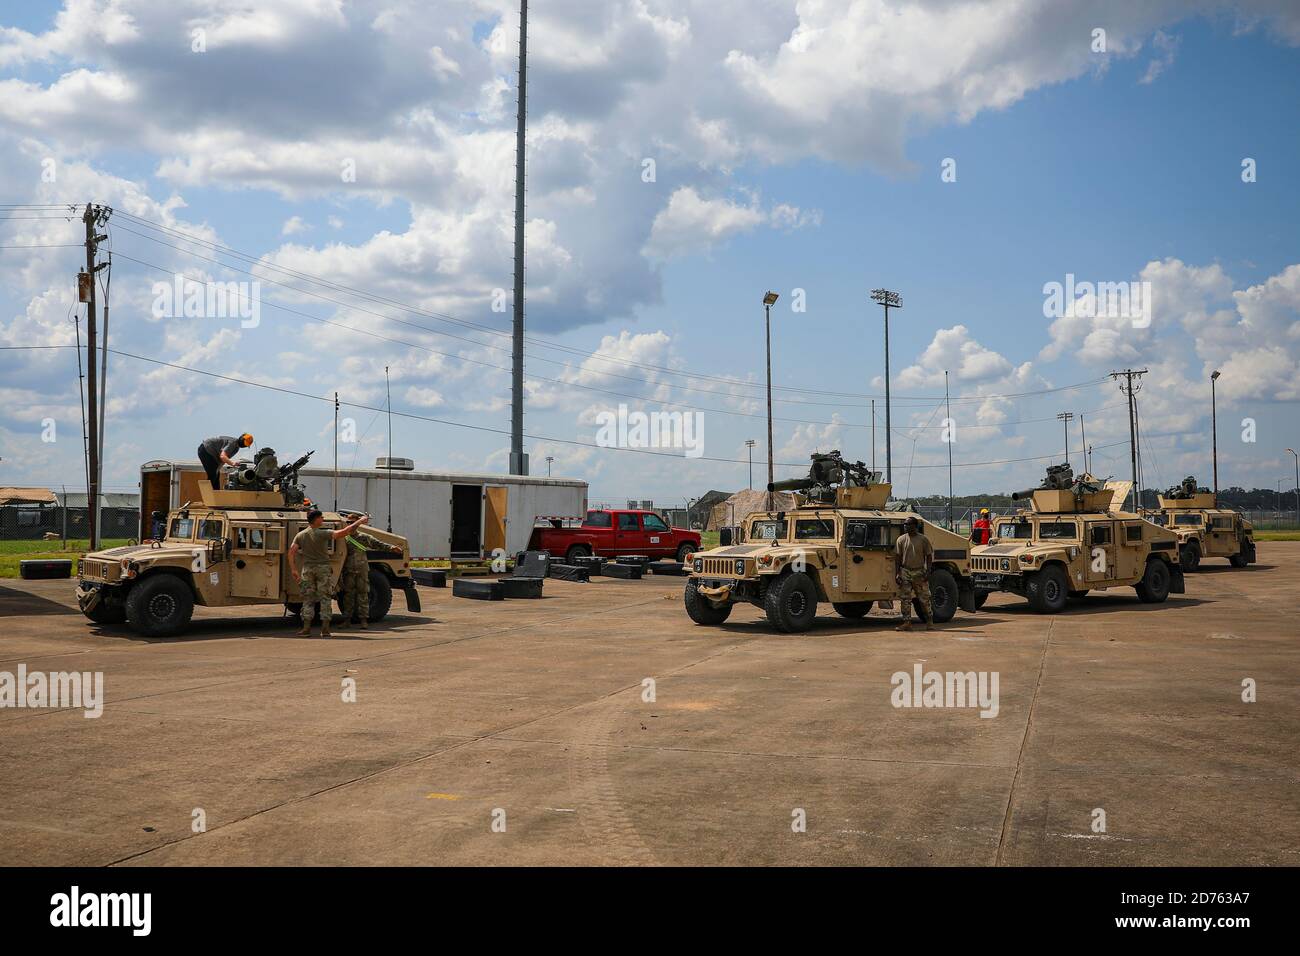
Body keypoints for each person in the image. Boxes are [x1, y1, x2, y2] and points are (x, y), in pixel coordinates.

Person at [288, 509, 367, 638]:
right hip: (322, 569)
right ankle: (325, 629)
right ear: (316, 519)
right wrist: (360, 521)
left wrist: (293, 569)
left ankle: (306, 628)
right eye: (321, 518)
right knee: (325, 598)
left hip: (307, 569)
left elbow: (291, 552)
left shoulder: (301, 535)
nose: (323, 519)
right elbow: (344, 532)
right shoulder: (322, 533)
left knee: (308, 599)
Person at [337, 513, 400, 629]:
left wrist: (391, 548)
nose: (350, 524)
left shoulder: (363, 537)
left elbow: (378, 544)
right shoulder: (343, 538)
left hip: (362, 569)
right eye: (348, 522)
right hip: (348, 570)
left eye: (352, 522)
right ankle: (347, 620)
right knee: (348, 596)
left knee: (363, 594)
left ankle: (364, 620)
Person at [894, 515, 935, 632]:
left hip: (919, 572)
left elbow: (929, 556)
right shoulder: (901, 540)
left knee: (924, 599)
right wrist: (897, 573)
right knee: (905, 599)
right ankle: (907, 622)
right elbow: (897, 557)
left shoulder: (923, 539)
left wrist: (928, 571)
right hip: (905, 571)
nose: (906, 526)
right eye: (905, 524)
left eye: (908, 524)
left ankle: (929, 621)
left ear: (915, 526)